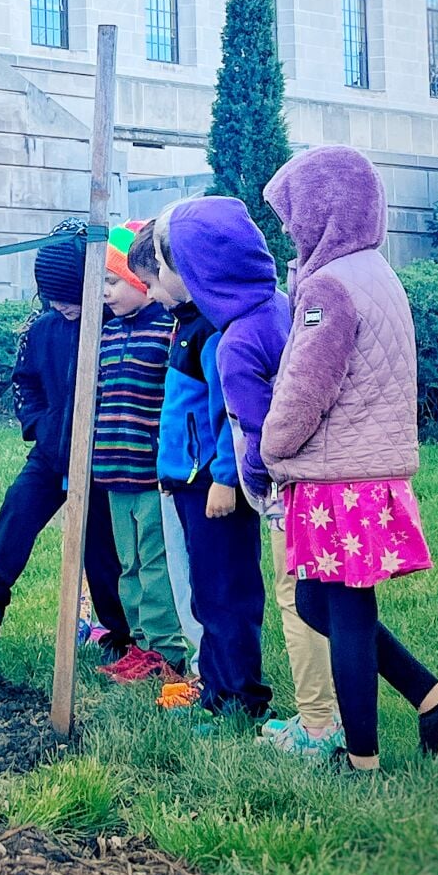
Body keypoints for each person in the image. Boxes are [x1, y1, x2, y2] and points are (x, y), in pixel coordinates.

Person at [261, 145, 438, 771]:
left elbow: (306, 385)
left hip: (337, 476)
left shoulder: (328, 285)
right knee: (316, 604)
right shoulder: (377, 273)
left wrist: (271, 449)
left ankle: (361, 761)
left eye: (292, 214)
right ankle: (435, 699)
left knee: (347, 610)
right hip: (369, 471)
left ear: (322, 210)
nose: (289, 229)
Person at [155, 197, 343, 754]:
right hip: (314, 481)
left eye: (171, 269)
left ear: (202, 272)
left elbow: (253, 430)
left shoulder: (232, 340)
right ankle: (277, 702)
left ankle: (270, 709)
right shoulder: (278, 306)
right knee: (300, 598)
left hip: (277, 494)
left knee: (257, 598)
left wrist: (243, 482)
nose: (166, 282)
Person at [0, 222, 130, 658]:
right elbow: (25, 383)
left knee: (100, 551)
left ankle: (120, 635)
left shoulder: (112, 326)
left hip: (101, 458)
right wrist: (39, 425)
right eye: (54, 298)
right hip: (52, 453)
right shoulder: (43, 331)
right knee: (18, 507)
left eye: (70, 296)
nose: (63, 306)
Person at [127, 223, 270, 719]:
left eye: (155, 279)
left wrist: (226, 477)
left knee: (226, 594)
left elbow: (229, 410)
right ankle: (215, 690)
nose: (151, 291)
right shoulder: (188, 323)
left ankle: (240, 700)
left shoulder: (212, 330)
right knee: (207, 596)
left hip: (211, 485)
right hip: (190, 483)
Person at [94, 224, 187, 683]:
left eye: (112, 282)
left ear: (143, 285)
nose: (105, 293)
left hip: (149, 476)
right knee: (127, 564)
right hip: (114, 473)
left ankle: (168, 650)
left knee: (155, 564)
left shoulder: (166, 333)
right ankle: (141, 643)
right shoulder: (106, 336)